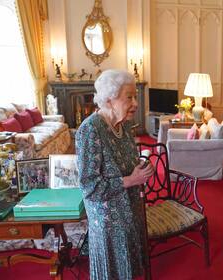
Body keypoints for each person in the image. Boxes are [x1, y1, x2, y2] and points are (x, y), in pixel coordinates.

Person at [75, 69, 154, 280]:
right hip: (109, 223)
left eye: (135, 96)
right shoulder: (90, 130)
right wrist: (131, 180)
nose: (136, 103)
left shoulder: (126, 126)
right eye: (129, 97)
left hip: (131, 211)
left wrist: (143, 167)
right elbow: (90, 188)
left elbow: (129, 162)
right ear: (109, 100)